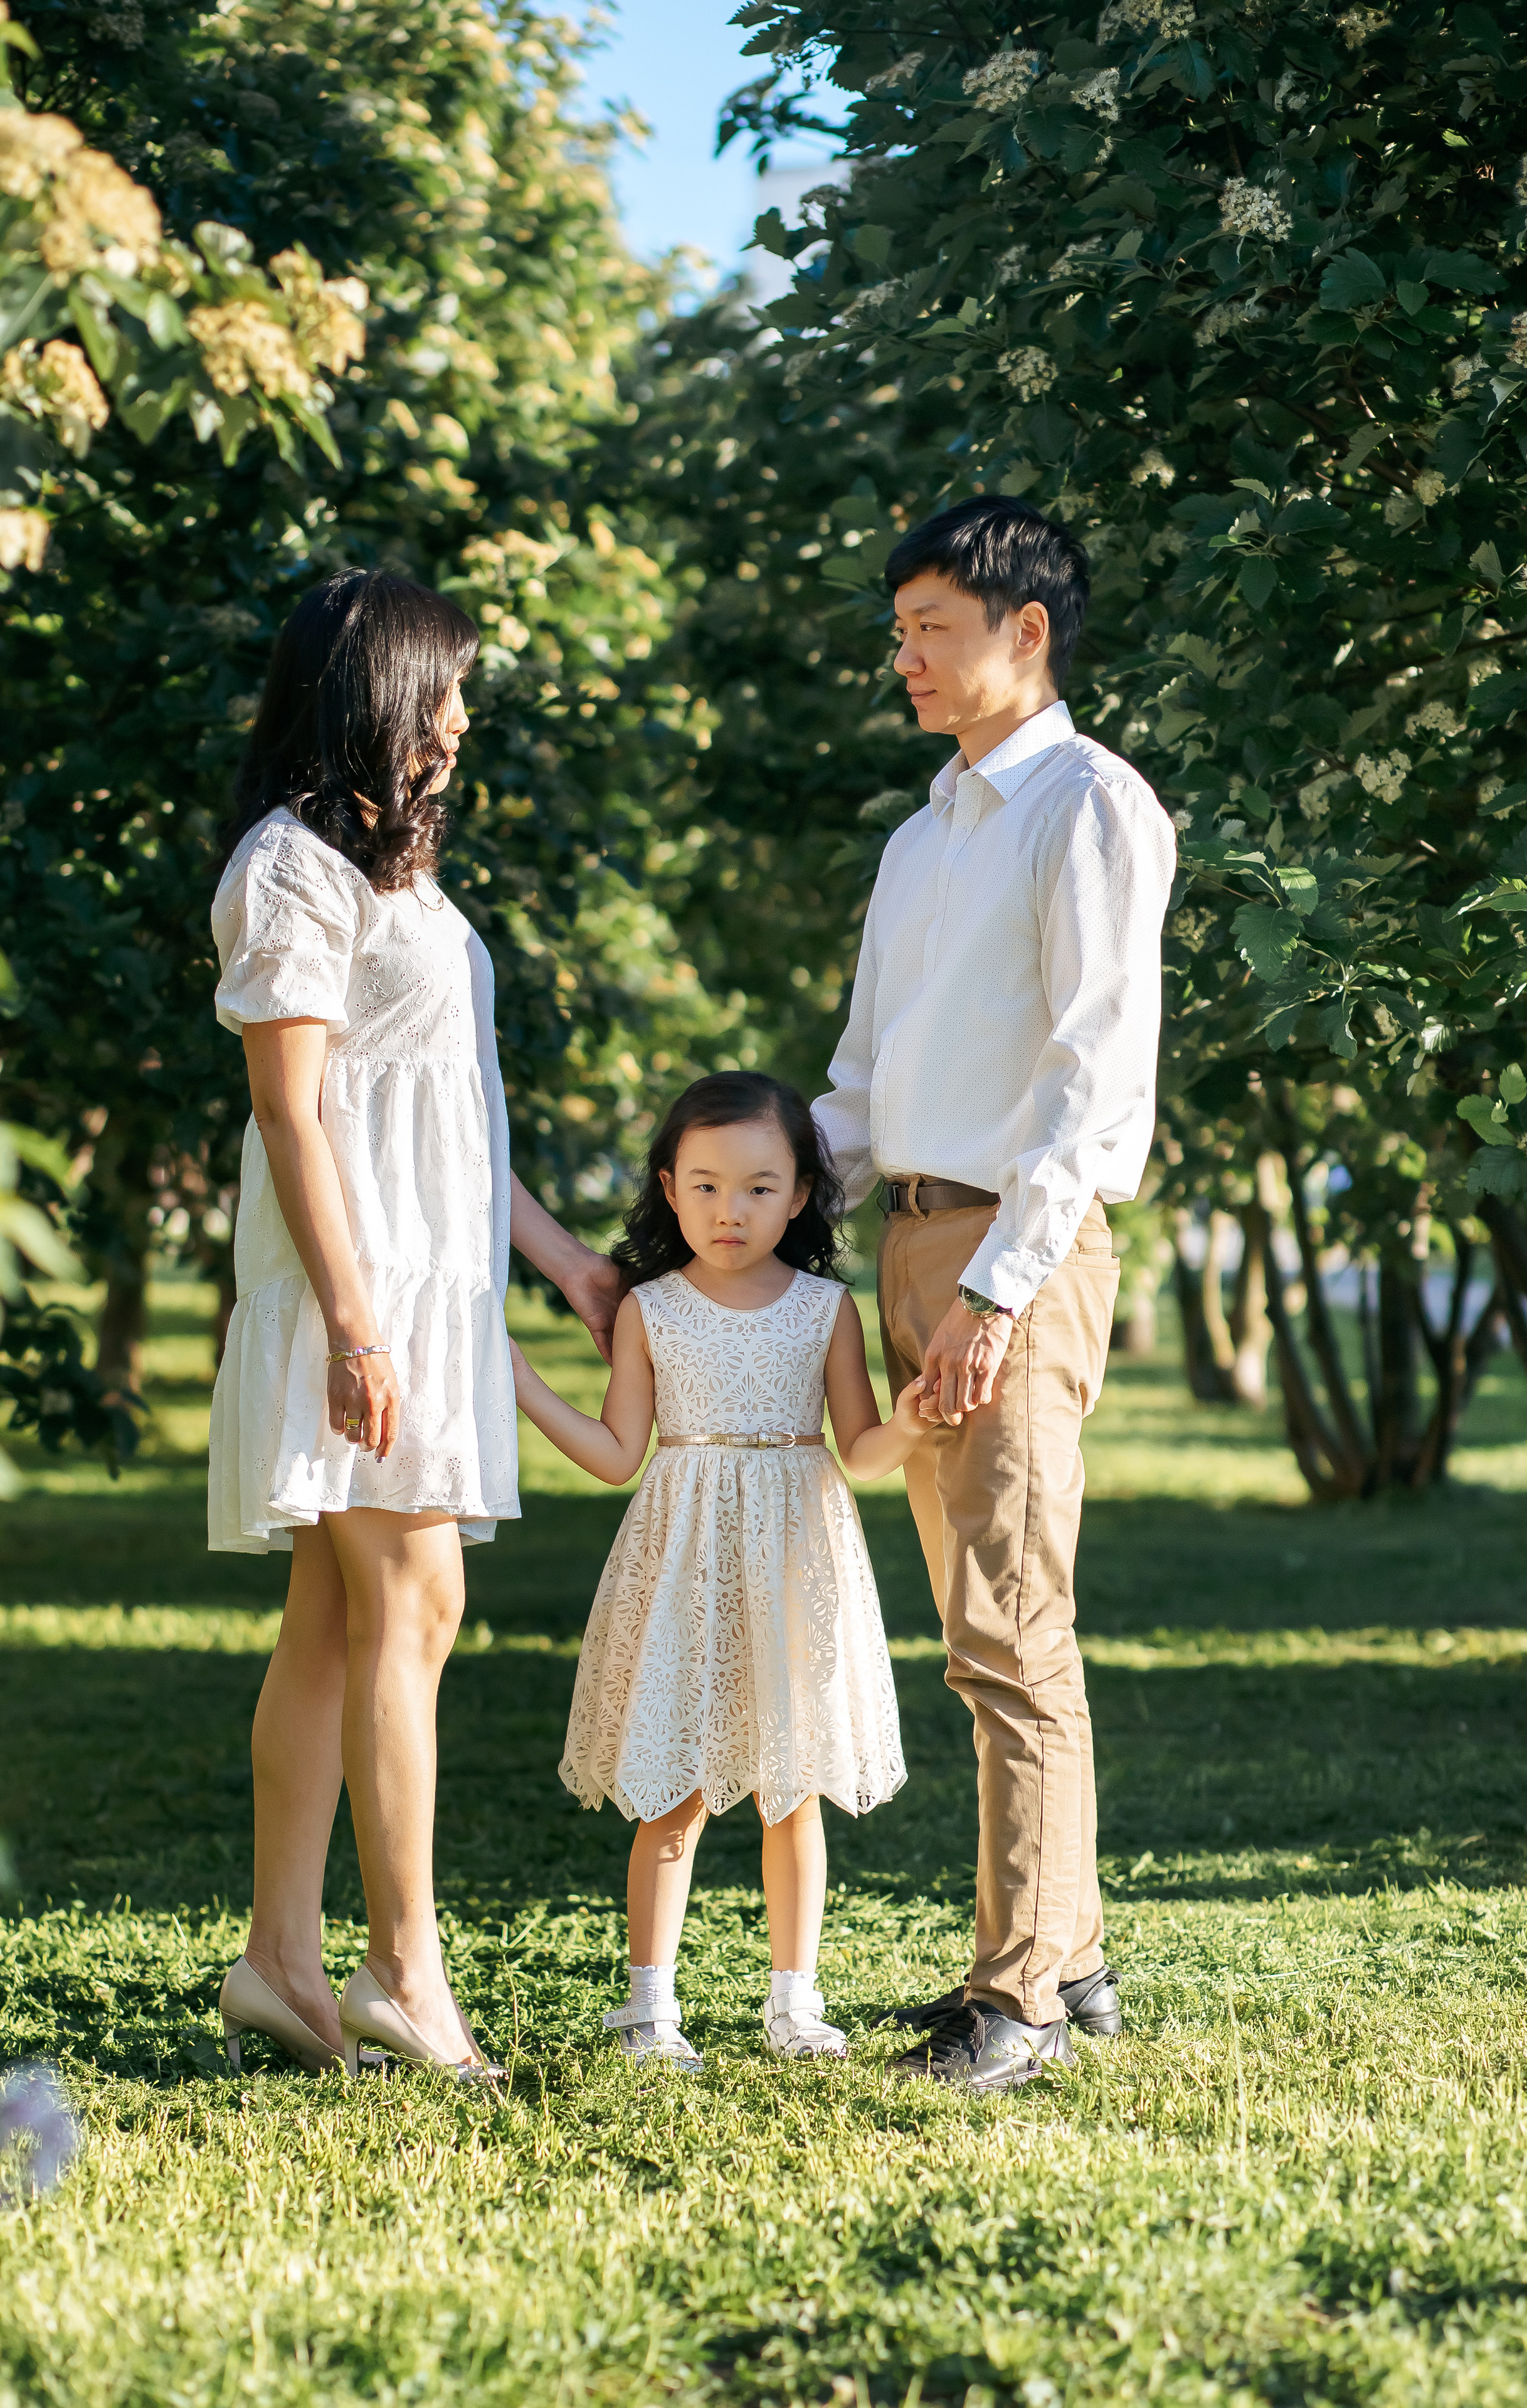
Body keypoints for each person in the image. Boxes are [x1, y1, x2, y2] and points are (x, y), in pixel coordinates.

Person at [206, 568, 624, 2081]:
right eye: (439, 690)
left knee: (336, 1624)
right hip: (358, 1291)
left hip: (422, 1286)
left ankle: (278, 1963)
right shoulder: (289, 871)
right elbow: (297, 1115)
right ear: (371, 691)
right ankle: (401, 1972)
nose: (458, 722)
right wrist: (355, 1323)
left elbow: (456, 1114)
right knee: (417, 1606)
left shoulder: (398, 874)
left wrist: (569, 1265)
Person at [811, 495, 1177, 2094]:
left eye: (930, 632)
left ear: (1025, 634)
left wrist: (995, 1290)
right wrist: (720, 1222)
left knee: (1009, 1630)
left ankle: (1018, 1995)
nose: (904, 660)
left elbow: (1091, 1082)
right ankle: (1069, 1952)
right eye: (898, 633)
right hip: (908, 1235)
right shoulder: (918, 835)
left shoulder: (1088, 809)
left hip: (1010, 1253)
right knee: (982, 1623)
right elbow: (860, 1083)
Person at [509, 1073, 926, 2066]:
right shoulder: (652, 1310)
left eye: (756, 1187)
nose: (728, 1211)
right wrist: (525, 1385)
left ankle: (796, 2001)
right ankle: (649, 2009)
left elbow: (858, 1448)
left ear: (800, 1195)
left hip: (794, 1555)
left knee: (795, 1786)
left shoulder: (828, 1310)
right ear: (667, 1187)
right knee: (672, 1786)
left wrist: (914, 1426)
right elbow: (618, 1454)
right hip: (684, 1561)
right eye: (703, 1186)